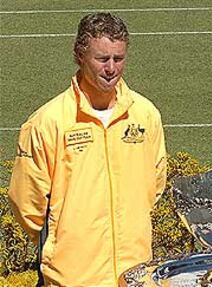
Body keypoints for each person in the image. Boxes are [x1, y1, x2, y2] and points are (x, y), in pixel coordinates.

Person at [8, 12, 167, 286]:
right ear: (79, 56)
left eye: (118, 59)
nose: (111, 68)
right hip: (72, 277)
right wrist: (62, 242)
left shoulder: (145, 114)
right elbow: (27, 204)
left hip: (136, 274)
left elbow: (155, 184)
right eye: (102, 59)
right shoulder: (48, 122)